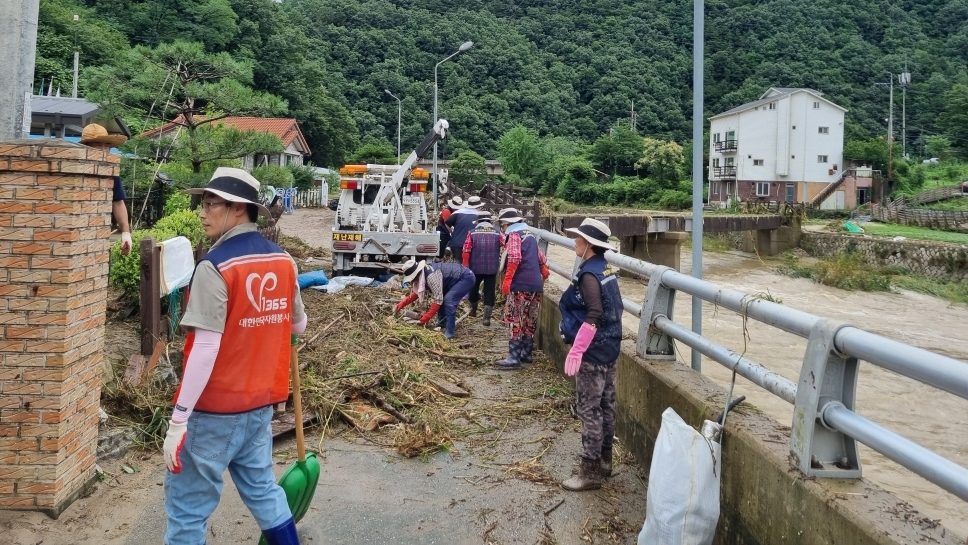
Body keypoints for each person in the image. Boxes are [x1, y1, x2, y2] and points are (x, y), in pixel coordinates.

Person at [163, 167, 307, 545]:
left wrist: (179, 421)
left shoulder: (214, 266)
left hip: (214, 410)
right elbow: (298, 327)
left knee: (188, 509)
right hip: (261, 405)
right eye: (203, 203)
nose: (201, 211)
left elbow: (206, 348)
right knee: (264, 491)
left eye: (211, 204)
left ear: (239, 209)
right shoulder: (283, 261)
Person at [558, 218, 623, 492]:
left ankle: (590, 471)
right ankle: (606, 461)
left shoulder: (588, 275)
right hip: (610, 347)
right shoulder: (606, 268)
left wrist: (578, 348)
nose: (575, 242)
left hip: (593, 352)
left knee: (589, 409)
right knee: (607, 405)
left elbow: (594, 313)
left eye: (578, 239)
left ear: (589, 244)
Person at [494, 208, 549, 369]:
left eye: (502, 226)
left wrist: (508, 279)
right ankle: (527, 353)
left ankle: (513, 357)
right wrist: (544, 271)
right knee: (529, 318)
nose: (502, 229)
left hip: (520, 284)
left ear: (507, 225)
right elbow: (541, 258)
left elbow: (515, 257)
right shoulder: (530, 235)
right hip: (535, 285)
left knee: (514, 318)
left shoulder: (515, 236)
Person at [78, 123, 132, 255]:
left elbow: (118, 201)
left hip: (99, 232)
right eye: (97, 145)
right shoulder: (75, 169)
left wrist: (125, 233)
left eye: (107, 146)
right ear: (86, 147)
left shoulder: (111, 173)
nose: (103, 150)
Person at [394, 258, 475, 339]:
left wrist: (427, 316)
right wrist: (402, 303)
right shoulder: (423, 273)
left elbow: (438, 300)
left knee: (449, 300)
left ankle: (450, 332)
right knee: (444, 297)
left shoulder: (431, 276)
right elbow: (417, 293)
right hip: (453, 280)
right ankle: (442, 324)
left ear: (416, 273)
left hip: (465, 277)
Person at [461, 210, 502, 325]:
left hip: (475, 268)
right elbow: (507, 245)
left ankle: (473, 310)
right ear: (490, 221)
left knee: (473, 288)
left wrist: (465, 267)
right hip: (492, 268)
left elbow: (466, 250)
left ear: (478, 221)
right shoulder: (498, 233)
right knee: (489, 291)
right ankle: (486, 318)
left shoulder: (472, 233)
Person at [445, 195, 484, 260]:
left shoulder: (457, 213)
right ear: (479, 206)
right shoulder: (480, 216)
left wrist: (452, 233)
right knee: (470, 265)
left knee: (459, 266)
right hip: (473, 245)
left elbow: (447, 223)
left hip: (457, 243)